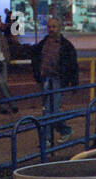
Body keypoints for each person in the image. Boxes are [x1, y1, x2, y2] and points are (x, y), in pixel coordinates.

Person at [31, 15, 78, 144]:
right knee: (47, 109)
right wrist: (37, 75)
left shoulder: (66, 45)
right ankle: (62, 131)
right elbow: (36, 58)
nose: (51, 29)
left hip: (57, 79)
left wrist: (73, 82)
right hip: (45, 79)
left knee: (51, 109)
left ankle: (49, 138)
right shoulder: (43, 43)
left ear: (60, 28)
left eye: (54, 26)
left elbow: (72, 64)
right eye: (49, 26)